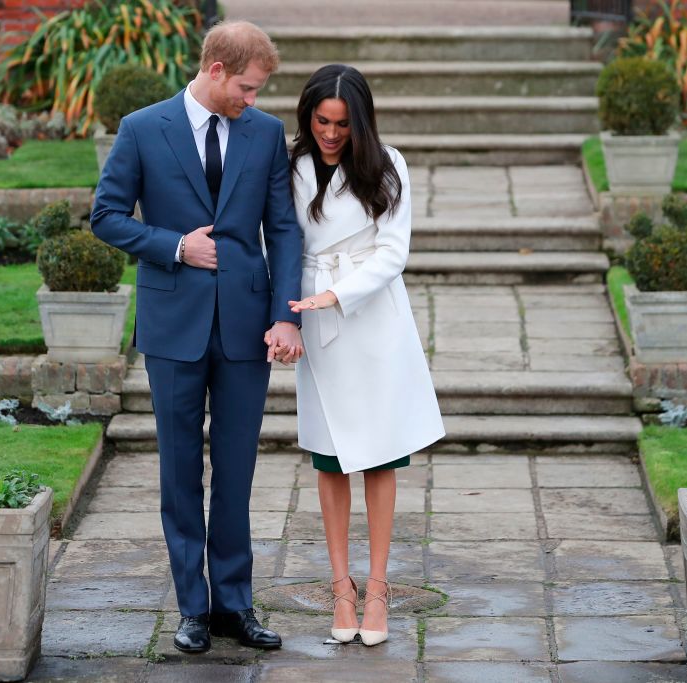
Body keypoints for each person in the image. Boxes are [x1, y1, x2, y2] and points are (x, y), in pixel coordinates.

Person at [90, 21, 304, 654]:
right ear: (214, 70)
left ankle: (235, 605)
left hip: (245, 327)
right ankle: (191, 608)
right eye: (246, 87)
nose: (253, 100)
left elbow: (284, 229)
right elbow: (106, 215)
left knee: (236, 473)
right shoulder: (141, 128)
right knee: (180, 472)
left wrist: (286, 314)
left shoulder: (264, 135)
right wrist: (175, 246)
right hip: (172, 327)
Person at [286, 64, 445, 646]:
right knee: (329, 458)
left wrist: (337, 292)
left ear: (362, 123)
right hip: (315, 322)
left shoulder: (388, 165)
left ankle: (378, 587)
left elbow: (392, 252)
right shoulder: (291, 168)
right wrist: (293, 310)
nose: (331, 133)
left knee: (379, 456)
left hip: (373, 319)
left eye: (343, 124)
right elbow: (278, 240)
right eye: (322, 122)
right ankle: (341, 587)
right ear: (308, 117)